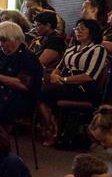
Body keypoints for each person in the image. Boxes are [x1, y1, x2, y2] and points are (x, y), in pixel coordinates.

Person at [38, 19, 108, 147]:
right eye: (76, 28)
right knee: (38, 89)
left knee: (44, 92)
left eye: (82, 28)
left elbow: (90, 76)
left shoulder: (97, 49)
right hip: (65, 84)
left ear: (92, 32)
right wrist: (54, 75)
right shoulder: (71, 49)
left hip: (84, 88)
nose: (78, 31)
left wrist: (64, 80)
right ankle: (52, 126)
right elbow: (59, 67)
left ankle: (51, 129)